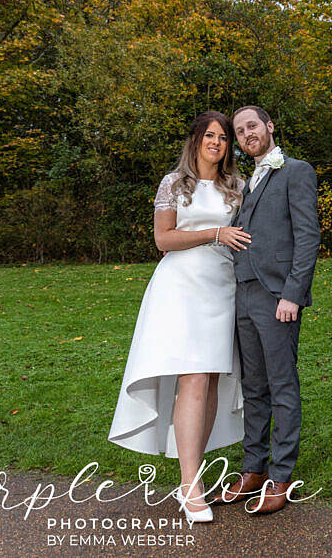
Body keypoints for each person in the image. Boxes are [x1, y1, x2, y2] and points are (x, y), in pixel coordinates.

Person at [108, 111, 253, 523]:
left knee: (209, 382)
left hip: (223, 288)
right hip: (181, 287)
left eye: (224, 137)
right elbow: (163, 239)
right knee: (191, 377)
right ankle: (191, 487)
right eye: (210, 135)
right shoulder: (174, 184)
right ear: (195, 140)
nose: (217, 143)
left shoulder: (237, 187)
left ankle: (193, 476)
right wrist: (213, 233)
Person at [208, 104, 320, 514]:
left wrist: (293, 294)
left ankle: (280, 475)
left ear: (270, 127)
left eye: (251, 126)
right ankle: (252, 470)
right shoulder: (244, 182)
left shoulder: (296, 171)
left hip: (277, 297)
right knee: (253, 388)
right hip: (243, 294)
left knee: (282, 385)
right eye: (238, 131)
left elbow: (307, 237)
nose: (245, 135)